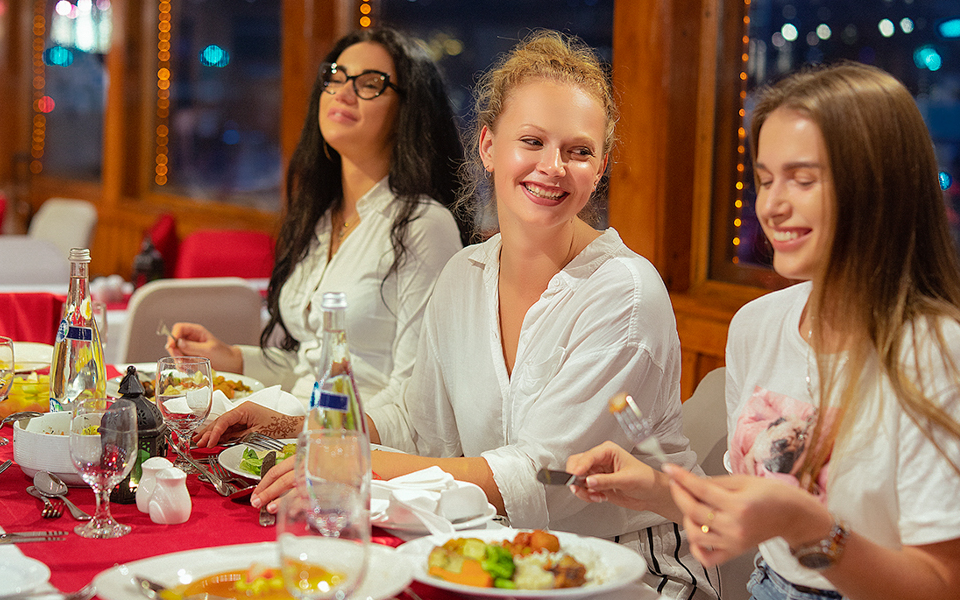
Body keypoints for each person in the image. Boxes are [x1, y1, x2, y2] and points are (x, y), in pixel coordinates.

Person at [213, 30, 717, 600]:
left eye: (578, 151)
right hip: (501, 557)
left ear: (599, 168)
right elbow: (417, 416)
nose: (552, 167)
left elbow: (544, 475)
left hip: (630, 570)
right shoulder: (463, 277)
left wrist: (353, 464)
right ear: (488, 147)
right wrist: (309, 428)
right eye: (532, 141)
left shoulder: (623, 292)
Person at [566, 62, 960, 599]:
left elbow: (942, 584)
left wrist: (811, 528)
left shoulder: (938, 352)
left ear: (878, 186)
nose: (771, 206)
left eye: (803, 179)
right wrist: (655, 488)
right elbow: (752, 500)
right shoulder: (758, 325)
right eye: (765, 179)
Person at [167, 28, 467, 414]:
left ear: (408, 110)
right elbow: (311, 367)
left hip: (367, 453)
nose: (343, 92)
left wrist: (301, 429)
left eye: (370, 83)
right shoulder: (323, 218)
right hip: (300, 435)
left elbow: (418, 400)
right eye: (336, 77)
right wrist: (232, 359)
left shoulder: (423, 225)